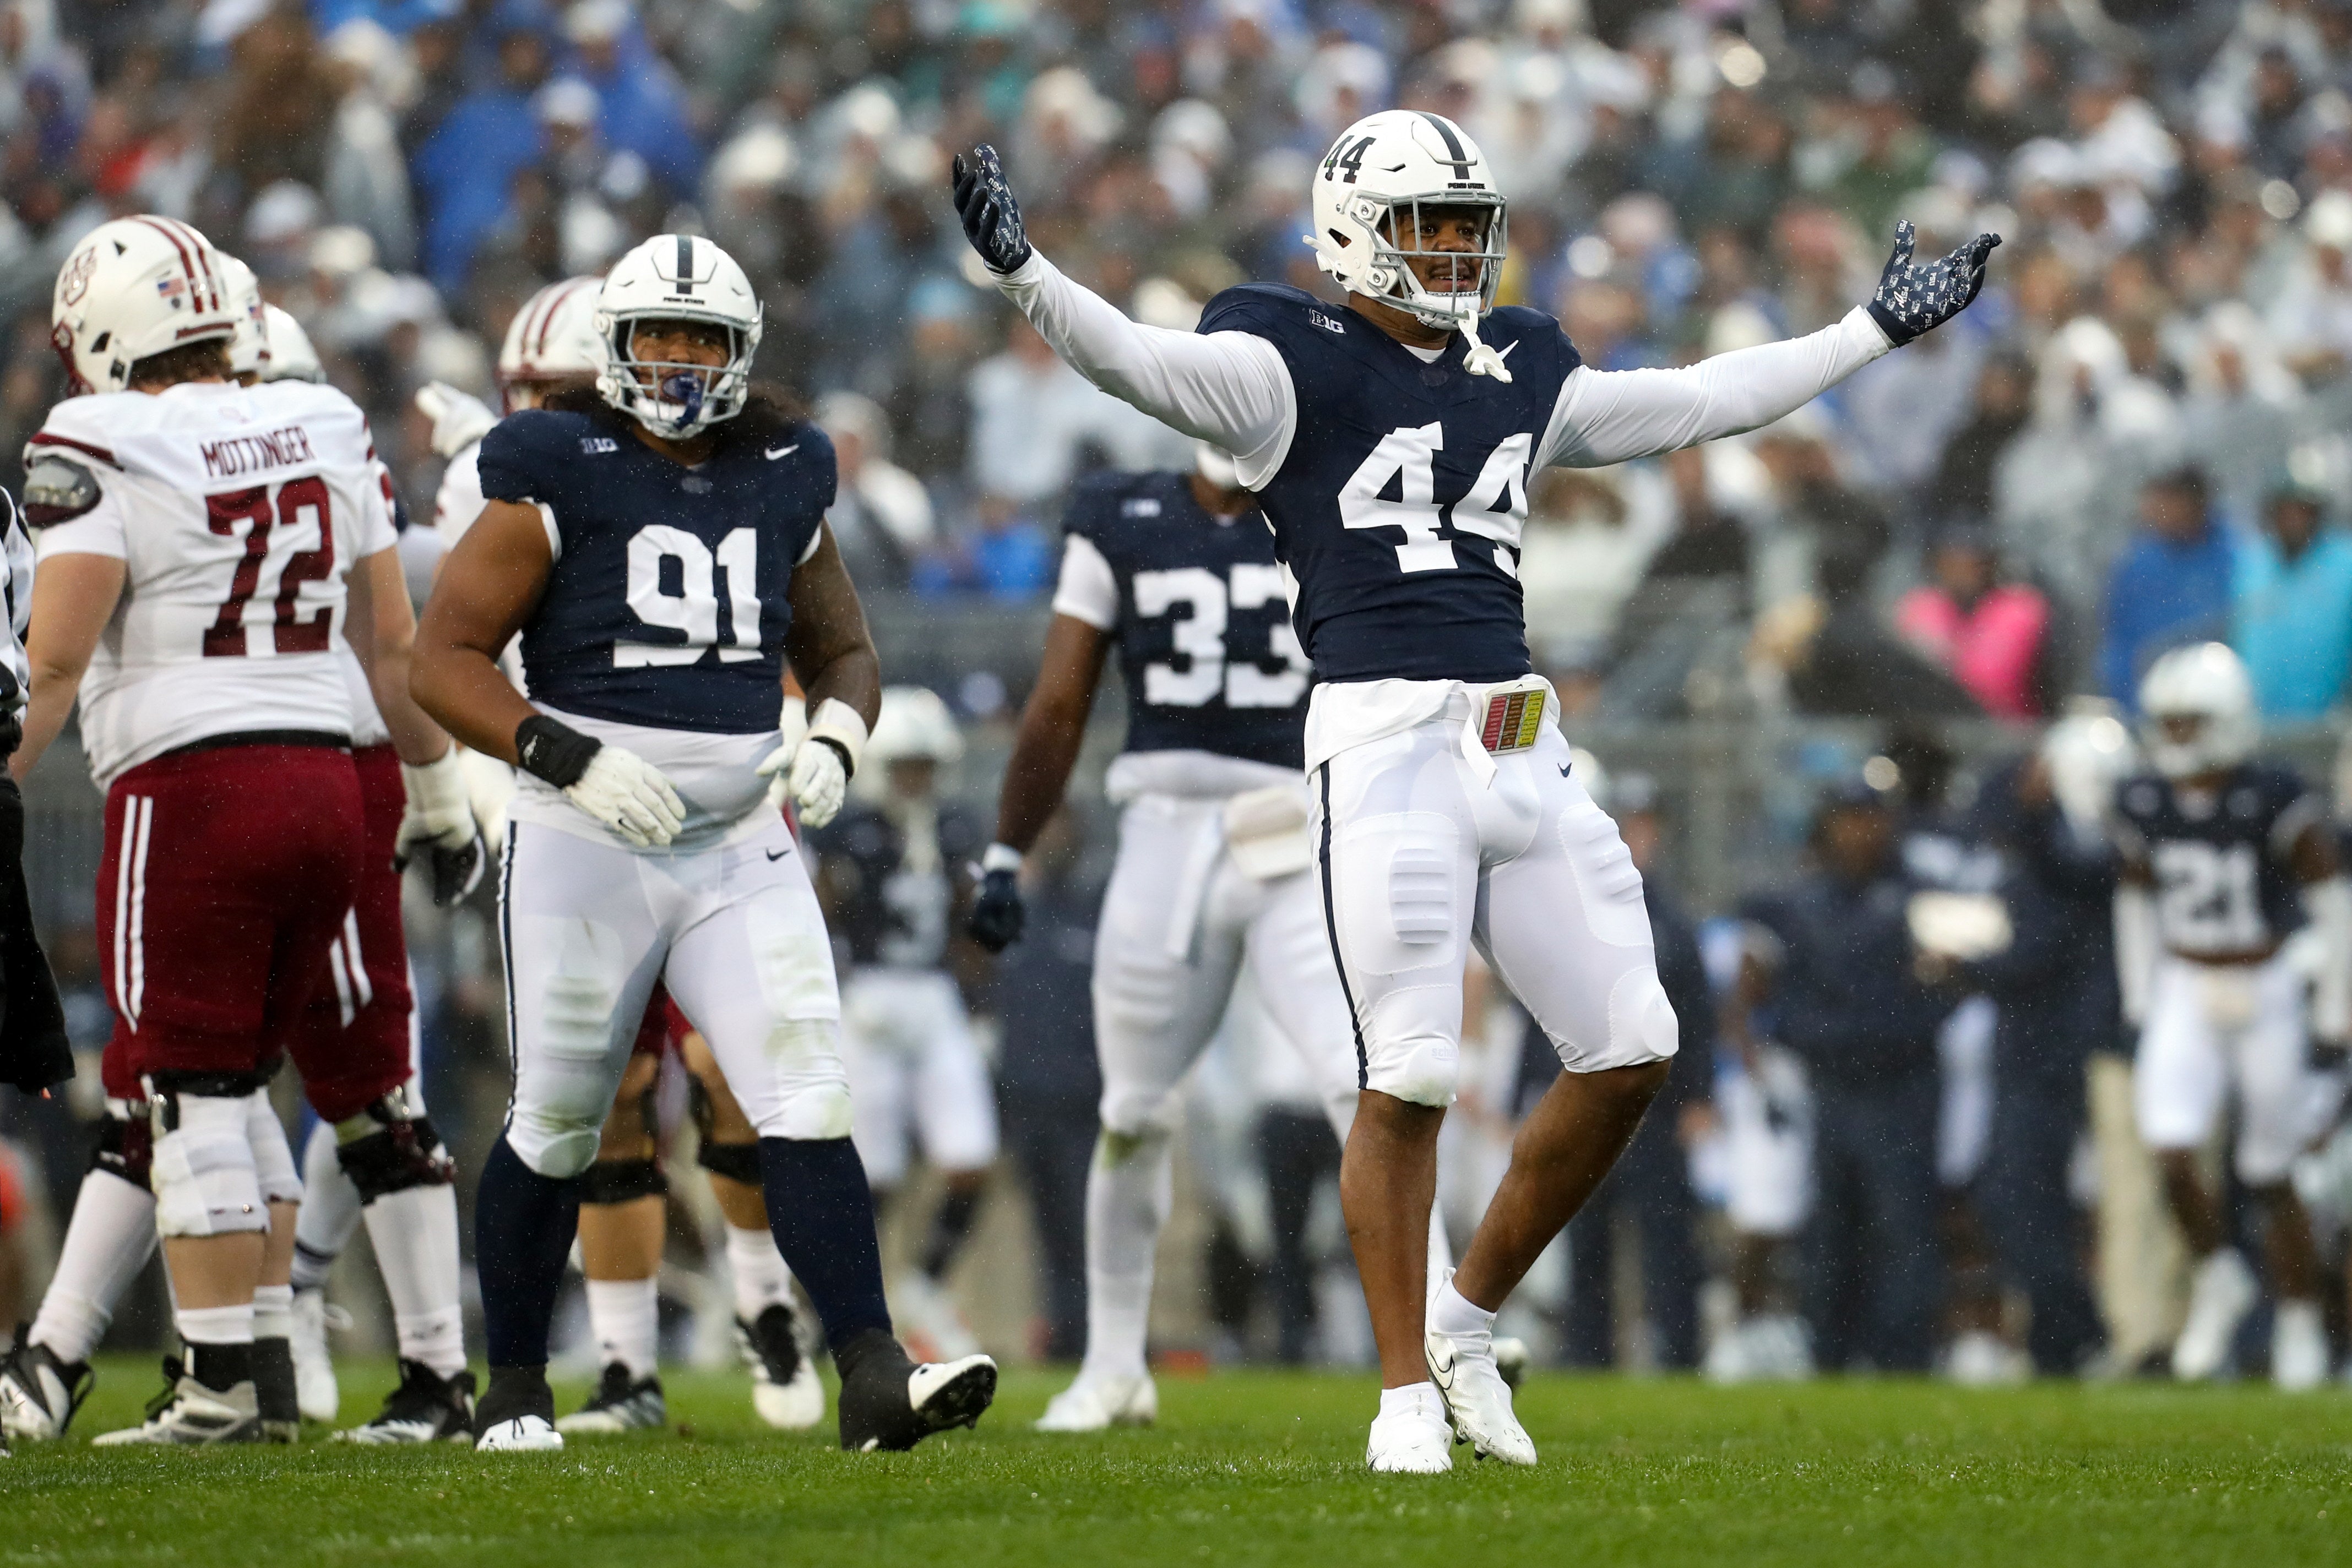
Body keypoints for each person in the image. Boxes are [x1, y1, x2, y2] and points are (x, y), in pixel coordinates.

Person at [948, 110, 1996, 1468]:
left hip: (1517, 735)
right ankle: (1397, 1396)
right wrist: (1027, 271)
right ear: (1348, 232)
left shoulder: (1520, 364)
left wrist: (1868, 332)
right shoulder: (1282, 361)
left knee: (1632, 1041)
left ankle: (1463, 1319)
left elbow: (1695, 400)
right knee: (1413, 1067)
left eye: (1466, 225)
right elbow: (1135, 362)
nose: (1454, 252)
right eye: (1426, 226)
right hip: (1381, 737)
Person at [410, 232, 995, 1452]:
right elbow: (440, 660)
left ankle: (872, 1372)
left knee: (805, 1095)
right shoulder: (556, 461)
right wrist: (557, 752)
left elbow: (842, 648)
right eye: (658, 339)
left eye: (702, 341)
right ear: (614, 350)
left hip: (738, 836)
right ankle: (514, 1384)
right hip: (585, 832)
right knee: (562, 1116)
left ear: (741, 354)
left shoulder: (784, 465)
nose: (678, 362)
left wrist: (834, 732)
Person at [1, 216, 460, 1446]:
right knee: (238, 1085)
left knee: (188, 1085)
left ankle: (216, 1384)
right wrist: (438, 791)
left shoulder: (95, 436)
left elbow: (52, 660)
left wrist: (9, 764)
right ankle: (246, 1361)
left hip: (192, 785)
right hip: (327, 775)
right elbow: (397, 644)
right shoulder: (321, 420)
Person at [965, 445, 1388, 1433]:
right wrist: (1005, 849)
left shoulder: (1335, 498)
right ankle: (1114, 1362)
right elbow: (1061, 697)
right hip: (1166, 826)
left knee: (1365, 1076)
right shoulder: (1123, 513)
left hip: (1296, 822)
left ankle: (1447, 1331)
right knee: (1136, 1108)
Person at [2112, 643, 2348, 1390]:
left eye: (2188, 724)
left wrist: (2340, 1000)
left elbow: (2329, 901)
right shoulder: (2143, 799)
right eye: (2167, 724)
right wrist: (2140, 993)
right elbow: (2134, 899)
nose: (2174, 738)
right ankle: (2217, 1273)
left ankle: (2300, 1319)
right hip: (2187, 979)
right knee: (2169, 1145)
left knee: (2269, 1172)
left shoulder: (2273, 796)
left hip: (2263, 982)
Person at [1734, 777, 1950, 1374]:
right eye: (1848, 819)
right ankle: (1830, 1349)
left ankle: (1904, 1354)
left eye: (1870, 818)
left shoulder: (1919, 895)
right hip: (1831, 1084)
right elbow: (1781, 998)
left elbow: (1947, 987)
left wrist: (1879, 1030)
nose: (1860, 832)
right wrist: (1828, 1035)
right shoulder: (1804, 902)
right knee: (1832, 1224)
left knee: (1902, 1222)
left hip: (1902, 1083)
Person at [809, 685, 996, 1363]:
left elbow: (973, 928)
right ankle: (841, 1309)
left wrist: (982, 1004)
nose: (914, 778)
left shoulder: (953, 830)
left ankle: (923, 1288)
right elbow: (818, 916)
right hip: (869, 996)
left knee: (971, 1158)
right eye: (903, 764)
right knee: (873, 1175)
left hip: (935, 995)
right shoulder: (847, 833)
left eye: (924, 764)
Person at [984, 805, 1102, 1363]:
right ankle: (1060, 1331)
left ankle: (1088, 1337)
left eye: (1064, 824)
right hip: (1025, 1098)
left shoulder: (1096, 911)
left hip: (1083, 1101)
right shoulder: (1015, 913)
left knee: (1085, 1223)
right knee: (1046, 1226)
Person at [2099, 467, 2235, 709]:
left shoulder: (2235, 558)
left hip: (2215, 704)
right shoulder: (2135, 564)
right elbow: (2119, 642)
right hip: (2148, 708)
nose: (2158, 510)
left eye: (2170, 500)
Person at [2231, 472, 2352, 720]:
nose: (2291, 521)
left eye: (2300, 511)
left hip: (2332, 723)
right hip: (2263, 724)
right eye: (2283, 512)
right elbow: (2239, 636)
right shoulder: (2253, 565)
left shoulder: (2345, 564)